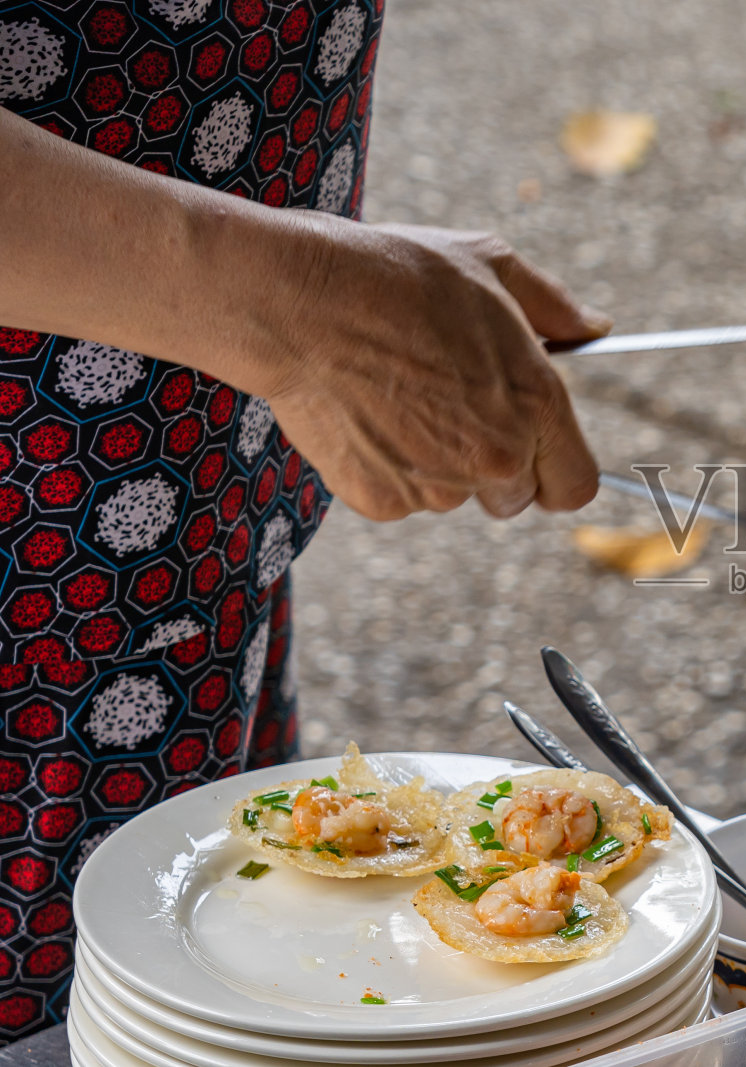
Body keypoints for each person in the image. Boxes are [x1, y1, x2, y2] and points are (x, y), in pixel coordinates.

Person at [0, 0, 608, 1039]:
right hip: (29, 628)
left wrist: (326, 271)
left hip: (198, 548)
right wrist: (296, 295)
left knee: (233, 970)